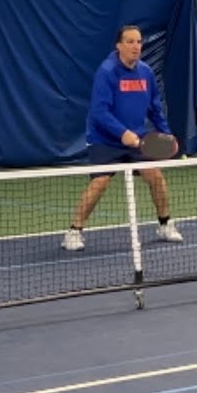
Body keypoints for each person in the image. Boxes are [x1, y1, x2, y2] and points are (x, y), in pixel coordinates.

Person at [64, 25, 184, 251]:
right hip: (105, 140)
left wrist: (166, 134)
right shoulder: (107, 72)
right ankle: (73, 231)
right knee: (100, 182)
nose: (135, 46)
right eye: (130, 42)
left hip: (137, 140)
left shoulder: (146, 72)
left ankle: (165, 224)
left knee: (155, 177)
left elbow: (155, 109)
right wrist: (122, 133)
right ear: (119, 45)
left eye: (138, 42)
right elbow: (99, 112)